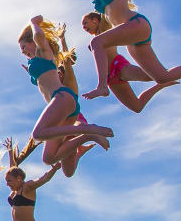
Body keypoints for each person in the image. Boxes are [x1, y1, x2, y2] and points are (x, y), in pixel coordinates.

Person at [17, 15, 113, 176]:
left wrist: (33, 23)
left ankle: (87, 129)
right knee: (49, 158)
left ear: (33, 41)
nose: (23, 52)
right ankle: (86, 136)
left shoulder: (43, 51)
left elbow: (39, 36)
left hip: (62, 98)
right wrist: (31, 73)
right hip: (64, 108)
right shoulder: (37, 60)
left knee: (37, 134)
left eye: (24, 46)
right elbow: (43, 80)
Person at [78, 12, 181, 112]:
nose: (84, 27)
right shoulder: (95, 40)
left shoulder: (104, 29)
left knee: (151, 76)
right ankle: (162, 84)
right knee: (137, 107)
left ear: (95, 20)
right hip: (109, 78)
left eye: (85, 22)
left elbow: (105, 12)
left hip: (118, 66)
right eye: (82, 25)